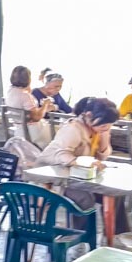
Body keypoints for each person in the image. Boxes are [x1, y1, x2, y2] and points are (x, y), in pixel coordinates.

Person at [33, 97, 123, 232]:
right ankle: (82, 234)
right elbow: (62, 155)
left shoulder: (98, 130)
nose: (106, 128)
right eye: (104, 125)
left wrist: (104, 138)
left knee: (114, 192)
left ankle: (113, 234)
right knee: (84, 198)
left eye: (109, 125)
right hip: (56, 174)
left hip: (79, 174)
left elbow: (103, 156)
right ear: (88, 116)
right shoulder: (73, 128)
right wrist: (85, 162)